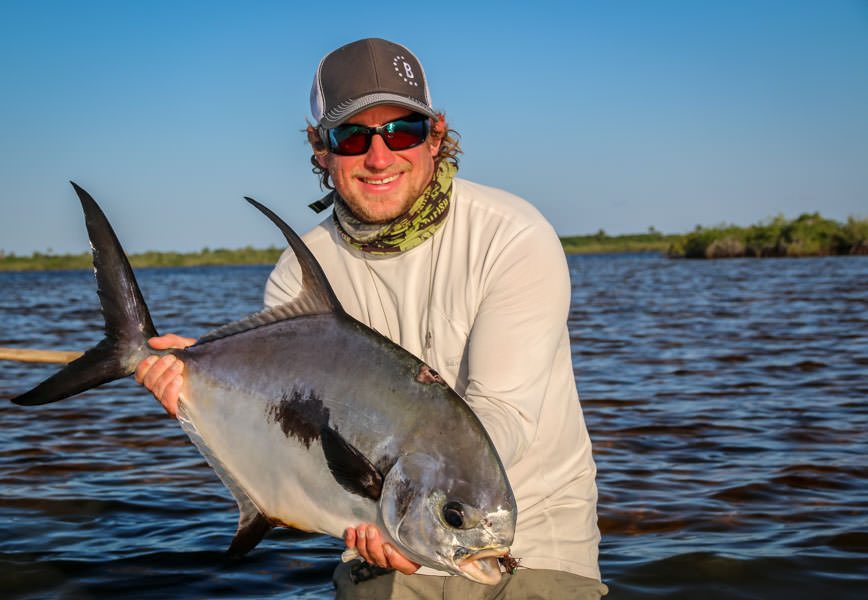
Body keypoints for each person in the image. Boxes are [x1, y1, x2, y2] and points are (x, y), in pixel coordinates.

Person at [136, 38, 607, 599]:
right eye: (353, 137)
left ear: (436, 135)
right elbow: (294, 459)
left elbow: (505, 412)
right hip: (372, 538)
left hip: (532, 546)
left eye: (402, 131)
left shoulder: (511, 237)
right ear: (320, 149)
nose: (379, 158)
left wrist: (419, 496)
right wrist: (204, 387)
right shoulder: (298, 275)